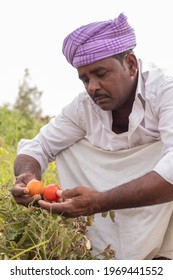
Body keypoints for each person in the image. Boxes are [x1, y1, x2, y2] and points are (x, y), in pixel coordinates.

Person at [11, 13, 173, 260]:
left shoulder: (165, 91)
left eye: (100, 73)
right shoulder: (84, 107)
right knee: (68, 144)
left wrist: (100, 202)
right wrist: (27, 178)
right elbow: (38, 146)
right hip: (113, 222)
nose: (92, 87)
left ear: (130, 64)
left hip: (164, 209)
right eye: (85, 78)